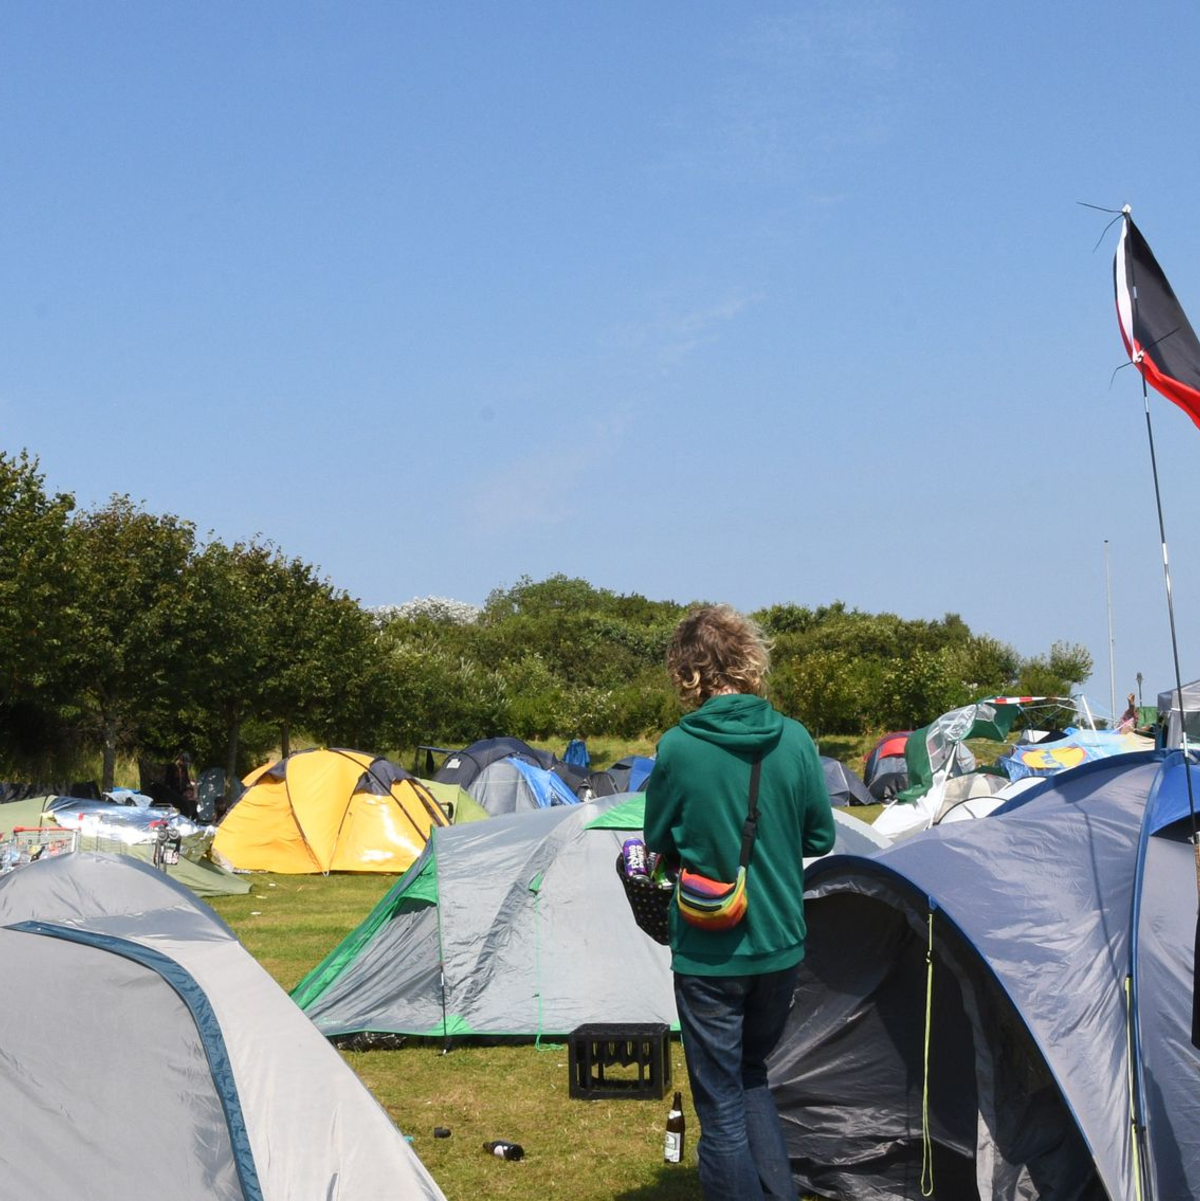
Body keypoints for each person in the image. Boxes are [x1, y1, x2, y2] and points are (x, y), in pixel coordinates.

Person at [644, 604, 835, 1200]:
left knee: (721, 1102)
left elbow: (656, 842)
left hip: (709, 950)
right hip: (779, 942)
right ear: (750, 661)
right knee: (753, 1077)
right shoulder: (797, 739)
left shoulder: (677, 748)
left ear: (687, 671)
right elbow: (820, 837)